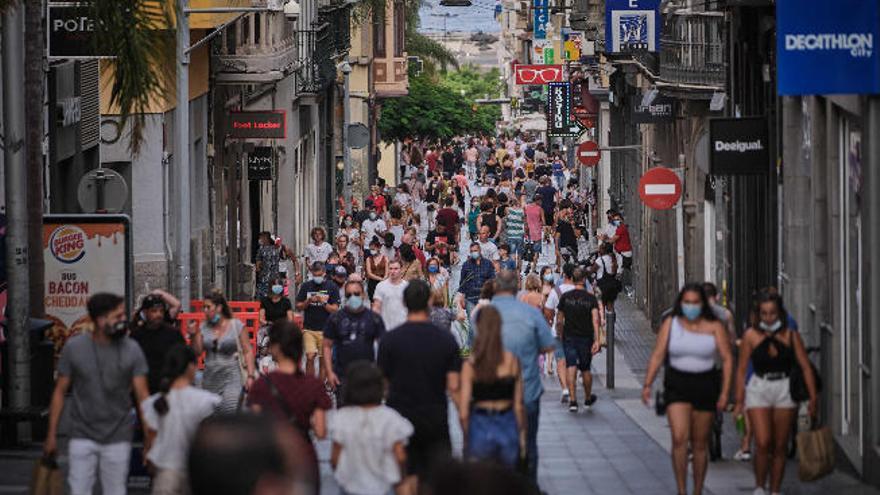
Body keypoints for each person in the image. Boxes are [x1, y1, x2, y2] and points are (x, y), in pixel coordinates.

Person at [44, 293, 150, 495]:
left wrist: (149, 438)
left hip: (118, 436)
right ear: (100, 320)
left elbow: (142, 395)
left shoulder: (132, 349)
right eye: (117, 316)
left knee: (115, 490)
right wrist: (51, 435)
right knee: (79, 489)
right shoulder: (75, 348)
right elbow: (59, 392)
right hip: (82, 435)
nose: (123, 321)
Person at [642, 283, 733, 495]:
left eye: (695, 303)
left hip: (705, 384)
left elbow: (727, 359)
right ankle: (682, 489)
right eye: (687, 303)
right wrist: (647, 383)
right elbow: (657, 354)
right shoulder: (671, 324)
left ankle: (698, 490)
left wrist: (725, 392)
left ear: (703, 304)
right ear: (680, 304)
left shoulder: (714, 326)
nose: (691, 307)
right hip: (677, 385)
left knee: (700, 443)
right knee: (679, 438)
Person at [377, 280, 462, 495]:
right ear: (429, 301)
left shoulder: (390, 340)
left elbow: (383, 383)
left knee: (404, 474)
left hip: (400, 416)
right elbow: (454, 385)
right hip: (434, 416)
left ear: (405, 302)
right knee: (434, 478)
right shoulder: (446, 340)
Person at [734, 291, 817, 495]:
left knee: (779, 445)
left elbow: (805, 367)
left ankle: (775, 490)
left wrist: (813, 397)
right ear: (759, 315)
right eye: (764, 313)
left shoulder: (790, 335)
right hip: (759, 388)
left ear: (780, 314)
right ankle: (760, 486)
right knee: (762, 442)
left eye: (772, 313)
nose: (768, 318)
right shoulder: (751, 336)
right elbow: (742, 369)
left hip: (784, 388)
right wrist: (738, 401)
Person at [248, 321, 332, 492]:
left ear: (275, 348)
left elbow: (254, 428)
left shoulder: (261, 386)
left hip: (272, 462)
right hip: (304, 459)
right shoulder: (313, 385)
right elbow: (321, 432)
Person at [489, 270, 555, 482]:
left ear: (496, 288)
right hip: (528, 390)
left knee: (499, 441)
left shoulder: (485, 313)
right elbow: (547, 345)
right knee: (529, 441)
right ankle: (528, 484)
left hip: (495, 392)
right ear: (516, 288)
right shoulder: (531, 313)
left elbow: (476, 350)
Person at [141, 345, 221, 495]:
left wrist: (149, 460)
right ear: (191, 367)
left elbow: (150, 439)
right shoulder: (205, 401)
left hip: (165, 471)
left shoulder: (154, 402)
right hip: (195, 472)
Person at [330, 361, 414, 495]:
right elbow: (400, 456)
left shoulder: (342, 417)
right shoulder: (390, 417)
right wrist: (401, 477)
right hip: (383, 486)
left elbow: (335, 458)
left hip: (351, 486)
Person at [458, 306, 526, 469]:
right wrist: (522, 436)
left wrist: (467, 437)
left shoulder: (471, 365)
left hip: (480, 422)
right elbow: (518, 405)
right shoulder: (511, 360)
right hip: (506, 420)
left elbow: (463, 411)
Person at [190, 290, 256, 413]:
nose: (205, 310)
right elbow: (197, 351)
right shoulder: (203, 327)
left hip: (232, 375)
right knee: (212, 414)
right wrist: (194, 335)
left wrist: (250, 376)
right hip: (210, 377)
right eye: (203, 307)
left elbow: (247, 351)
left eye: (208, 307)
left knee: (229, 410)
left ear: (219, 308)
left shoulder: (236, 325)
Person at [323, 280, 386, 401]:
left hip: (368, 376)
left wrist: (381, 374)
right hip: (342, 377)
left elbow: (383, 346)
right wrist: (329, 372)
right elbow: (326, 345)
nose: (353, 297)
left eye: (356, 294)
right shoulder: (336, 318)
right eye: (349, 295)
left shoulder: (374, 319)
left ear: (363, 295)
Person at [556, 268, 601, 412]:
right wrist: (597, 340)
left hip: (569, 336)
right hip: (586, 337)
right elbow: (595, 319)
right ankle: (587, 398)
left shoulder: (565, 297)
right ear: (584, 280)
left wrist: (560, 334)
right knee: (586, 368)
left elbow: (559, 319)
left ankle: (573, 401)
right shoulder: (590, 298)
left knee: (571, 366)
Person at [131, 291, 186, 394]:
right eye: (154, 311)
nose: (158, 314)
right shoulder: (136, 334)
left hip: (167, 388)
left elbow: (183, 357)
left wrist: (158, 292)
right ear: (145, 312)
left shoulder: (172, 334)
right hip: (144, 387)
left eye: (161, 311)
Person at [295, 262, 341, 378]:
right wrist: (308, 301)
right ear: (311, 273)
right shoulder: (306, 286)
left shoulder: (332, 287)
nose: (317, 278)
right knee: (310, 356)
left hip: (326, 330)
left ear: (324, 273)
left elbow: (335, 309)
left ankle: (319, 388)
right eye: (315, 275)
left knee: (323, 360)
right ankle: (310, 384)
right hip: (309, 328)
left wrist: (323, 302)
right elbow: (298, 306)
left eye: (319, 275)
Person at [457, 243, 497, 320]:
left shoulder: (488, 263)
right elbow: (462, 283)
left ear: (480, 250)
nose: (473, 253)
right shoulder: (466, 265)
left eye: (475, 250)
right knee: (472, 325)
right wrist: (461, 298)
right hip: (470, 299)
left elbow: (493, 280)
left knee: (484, 323)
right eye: (471, 251)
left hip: (485, 298)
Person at [372, 260, 409, 331]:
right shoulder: (380, 286)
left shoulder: (407, 286)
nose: (393, 271)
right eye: (390, 268)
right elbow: (376, 307)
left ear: (401, 269)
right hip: (386, 327)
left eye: (396, 269)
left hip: (403, 327)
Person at [593, 242, 621, 312]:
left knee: (601, 306)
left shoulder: (600, 260)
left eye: (600, 249)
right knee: (610, 306)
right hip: (612, 286)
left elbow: (592, 270)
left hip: (602, 286)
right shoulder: (613, 259)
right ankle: (611, 321)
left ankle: (603, 322)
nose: (599, 250)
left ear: (604, 250)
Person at [255, 231, 281, 299]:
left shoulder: (261, 250)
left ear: (265, 238)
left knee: (263, 298)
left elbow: (258, 266)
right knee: (274, 297)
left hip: (264, 279)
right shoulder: (276, 249)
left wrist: (259, 271)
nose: (260, 240)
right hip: (275, 278)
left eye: (261, 238)